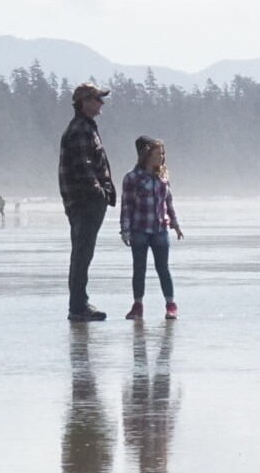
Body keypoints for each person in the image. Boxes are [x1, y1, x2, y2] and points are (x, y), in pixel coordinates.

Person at [60, 83, 116, 322]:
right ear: (84, 102)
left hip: (83, 201)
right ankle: (78, 306)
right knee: (83, 253)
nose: (101, 103)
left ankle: (79, 303)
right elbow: (84, 167)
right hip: (85, 202)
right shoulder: (81, 129)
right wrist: (100, 192)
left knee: (83, 253)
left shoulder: (85, 127)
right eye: (97, 99)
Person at [121, 136, 182, 321]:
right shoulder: (132, 178)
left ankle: (171, 305)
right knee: (139, 269)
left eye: (162, 154)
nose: (160, 157)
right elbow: (127, 205)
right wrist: (125, 229)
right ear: (147, 155)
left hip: (160, 228)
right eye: (157, 154)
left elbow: (168, 202)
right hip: (140, 228)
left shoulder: (163, 176)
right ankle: (137, 305)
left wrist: (176, 224)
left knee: (163, 268)